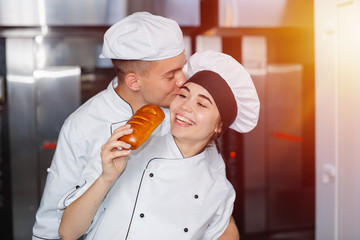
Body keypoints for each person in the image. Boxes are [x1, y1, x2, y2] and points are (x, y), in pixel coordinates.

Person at [32, 12, 239, 240]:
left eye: (183, 68)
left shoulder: (182, 114)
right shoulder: (82, 126)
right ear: (134, 81)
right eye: (171, 75)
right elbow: (52, 225)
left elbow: (209, 194)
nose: (182, 81)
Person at [58, 50, 260, 239]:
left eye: (201, 104)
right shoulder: (127, 146)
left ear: (219, 126)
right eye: (183, 95)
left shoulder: (218, 188)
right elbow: (68, 232)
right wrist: (106, 177)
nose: (184, 107)